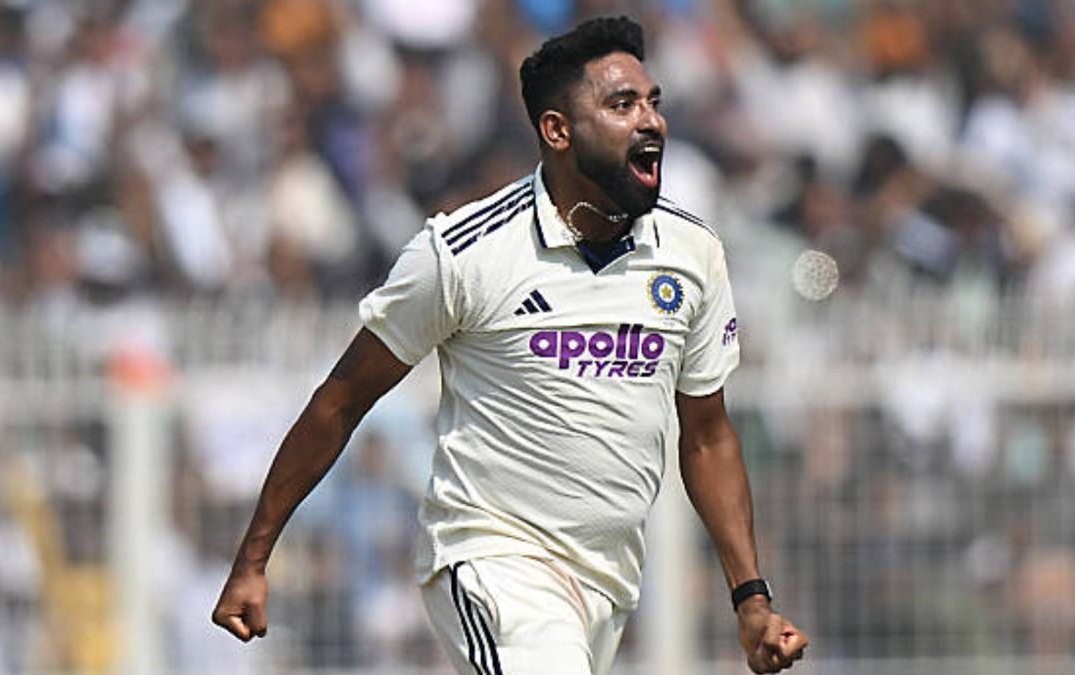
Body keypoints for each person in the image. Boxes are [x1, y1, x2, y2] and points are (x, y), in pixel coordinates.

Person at [211, 16, 809, 674]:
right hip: (491, 558)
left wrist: (750, 596)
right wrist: (254, 557)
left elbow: (706, 434)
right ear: (557, 131)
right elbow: (340, 400)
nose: (651, 122)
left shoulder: (692, 255)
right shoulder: (466, 252)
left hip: (608, 578)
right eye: (621, 104)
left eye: (653, 103)